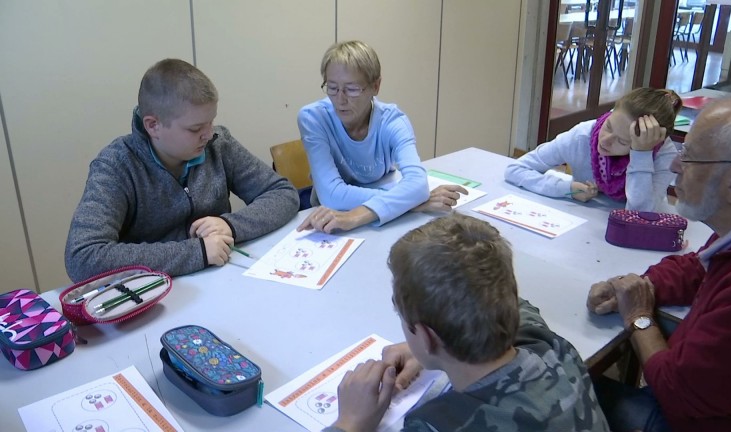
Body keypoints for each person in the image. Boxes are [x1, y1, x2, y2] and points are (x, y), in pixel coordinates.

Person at [323, 213, 609, 432]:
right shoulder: (553, 348)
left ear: (426, 337)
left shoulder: (436, 423)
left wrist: (349, 423)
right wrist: (434, 344)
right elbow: (512, 303)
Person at [587, 98, 731, 431]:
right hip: (697, 402)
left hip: (693, 419)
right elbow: (698, 267)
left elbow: (678, 393)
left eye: (690, 157)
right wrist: (638, 285)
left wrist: (638, 318)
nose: (675, 167)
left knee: (550, 392)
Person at [65, 59, 299, 281]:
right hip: (157, 296)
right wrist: (196, 252)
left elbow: (283, 193)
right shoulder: (117, 165)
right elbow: (83, 257)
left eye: (211, 121)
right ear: (153, 125)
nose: (208, 134)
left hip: (222, 281)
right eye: (196, 128)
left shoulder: (218, 143)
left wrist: (230, 225)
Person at [297, 40, 466, 233]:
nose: (340, 99)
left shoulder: (393, 122)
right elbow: (332, 195)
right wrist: (411, 202)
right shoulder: (313, 117)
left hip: (378, 222)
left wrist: (362, 213)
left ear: (375, 86)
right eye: (332, 88)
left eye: (352, 89)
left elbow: (418, 185)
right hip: (328, 217)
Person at [505, 87, 682, 211]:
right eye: (609, 126)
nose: (605, 140)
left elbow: (639, 213)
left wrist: (641, 155)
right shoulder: (583, 136)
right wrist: (567, 188)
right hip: (586, 223)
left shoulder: (663, 155)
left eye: (621, 141)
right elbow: (515, 169)